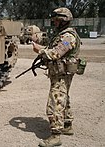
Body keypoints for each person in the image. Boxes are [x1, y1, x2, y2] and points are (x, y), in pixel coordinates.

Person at [32, 7, 82, 147]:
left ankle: (55, 136)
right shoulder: (61, 34)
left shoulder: (68, 37)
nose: (54, 23)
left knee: (55, 102)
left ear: (63, 20)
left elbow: (55, 54)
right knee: (63, 98)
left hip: (62, 74)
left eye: (56, 20)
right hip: (59, 73)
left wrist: (39, 50)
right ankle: (67, 125)